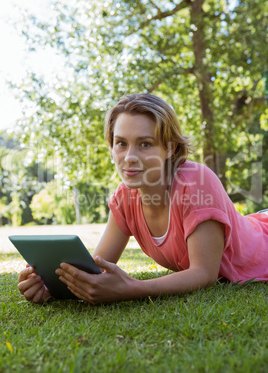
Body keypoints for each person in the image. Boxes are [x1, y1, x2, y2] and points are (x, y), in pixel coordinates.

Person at [18, 93, 268, 304]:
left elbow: (204, 273)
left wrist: (132, 288)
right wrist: (53, 286)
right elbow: (98, 267)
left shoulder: (196, 182)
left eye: (145, 144)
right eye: (121, 143)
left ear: (169, 148)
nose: (129, 157)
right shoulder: (124, 197)